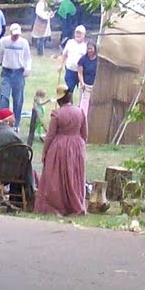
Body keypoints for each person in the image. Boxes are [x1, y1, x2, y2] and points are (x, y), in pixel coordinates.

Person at [36, 85, 88, 216]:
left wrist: (45, 152)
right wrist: (78, 145)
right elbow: (85, 134)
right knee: (74, 175)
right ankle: (74, 204)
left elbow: (50, 135)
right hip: (77, 146)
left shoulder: (57, 114)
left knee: (57, 176)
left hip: (59, 147)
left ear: (60, 100)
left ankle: (57, 205)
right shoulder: (80, 112)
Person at [0, 21, 32, 127]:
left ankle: (16, 124)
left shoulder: (24, 43)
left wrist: (27, 69)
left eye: (17, 34)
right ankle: (2, 122)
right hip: (7, 72)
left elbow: (28, 58)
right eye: (14, 34)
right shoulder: (4, 41)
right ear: (10, 33)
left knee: (18, 99)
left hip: (19, 72)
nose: (15, 36)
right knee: (4, 97)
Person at [60, 24, 88, 94]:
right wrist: (60, 65)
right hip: (70, 70)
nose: (78, 35)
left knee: (83, 90)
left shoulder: (86, 45)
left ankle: (80, 104)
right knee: (69, 90)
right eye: (76, 33)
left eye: (80, 33)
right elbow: (64, 54)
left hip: (82, 72)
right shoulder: (70, 42)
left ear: (84, 35)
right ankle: (69, 104)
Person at [77, 39, 98, 112]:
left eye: (91, 48)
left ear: (95, 49)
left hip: (95, 86)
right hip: (85, 86)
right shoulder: (83, 59)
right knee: (82, 105)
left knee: (92, 106)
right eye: (88, 48)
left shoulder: (98, 60)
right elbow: (80, 73)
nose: (89, 50)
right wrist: (82, 83)